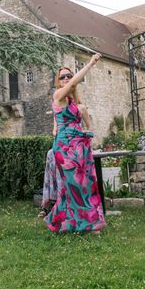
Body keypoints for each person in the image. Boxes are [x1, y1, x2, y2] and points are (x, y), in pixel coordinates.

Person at [45, 57, 107, 234]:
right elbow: (72, 85)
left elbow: (88, 125)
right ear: (58, 81)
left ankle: (59, 221)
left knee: (82, 185)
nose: (66, 78)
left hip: (80, 148)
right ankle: (87, 224)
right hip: (64, 148)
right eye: (63, 76)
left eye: (68, 75)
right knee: (75, 185)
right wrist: (90, 63)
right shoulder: (58, 96)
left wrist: (89, 134)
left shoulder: (76, 105)